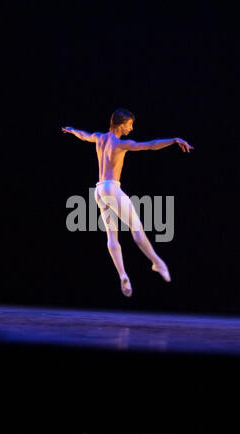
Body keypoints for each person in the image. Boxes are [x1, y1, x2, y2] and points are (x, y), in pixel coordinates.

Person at [62, 108, 194, 297]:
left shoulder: (99, 138)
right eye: (130, 125)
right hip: (112, 188)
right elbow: (151, 145)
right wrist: (173, 140)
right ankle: (157, 262)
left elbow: (84, 135)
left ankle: (123, 275)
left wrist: (72, 129)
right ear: (122, 124)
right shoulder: (120, 144)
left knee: (112, 236)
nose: (131, 129)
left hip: (99, 190)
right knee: (137, 229)